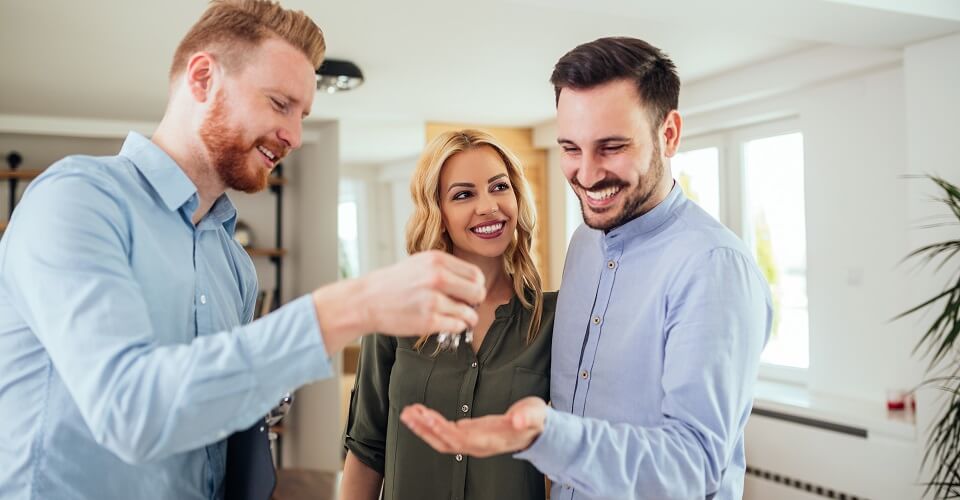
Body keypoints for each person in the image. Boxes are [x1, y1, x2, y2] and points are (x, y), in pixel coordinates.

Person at [0, 2, 485, 499]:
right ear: (204, 78)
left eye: (302, 115)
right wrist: (349, 306)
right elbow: (130, 411)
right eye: (279, 104)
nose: (294, 136)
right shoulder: (78, 198)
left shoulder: (232, 263)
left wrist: (264, 394)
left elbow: (212, 414)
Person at [401, 37, 773, 500]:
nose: (588, 174)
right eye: (571, 148)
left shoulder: (712, 268)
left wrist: (545, 436)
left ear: (669, 134)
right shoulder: (585, 244)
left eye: (612, 147)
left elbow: (693, 466)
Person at [340, 129, 557, 500]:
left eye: (499, 187)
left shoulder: (553, 320)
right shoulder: (394, 313)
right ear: (437, 211)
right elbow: (366, 451)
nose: (489, 206)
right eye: (463, 194)